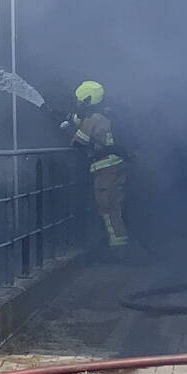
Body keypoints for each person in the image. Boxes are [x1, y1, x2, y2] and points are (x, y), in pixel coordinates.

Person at [63, 81, 129, 249]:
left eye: (79, 100)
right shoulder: (102, 115)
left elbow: (79, 143)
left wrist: (67, 129)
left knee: (108, 207)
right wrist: (74, 120)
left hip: (106, 170)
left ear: (87, 100)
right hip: (115, 166)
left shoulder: (92, 119)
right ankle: (118, 244)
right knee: (114, 206)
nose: (77, 103)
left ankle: (119, 248)